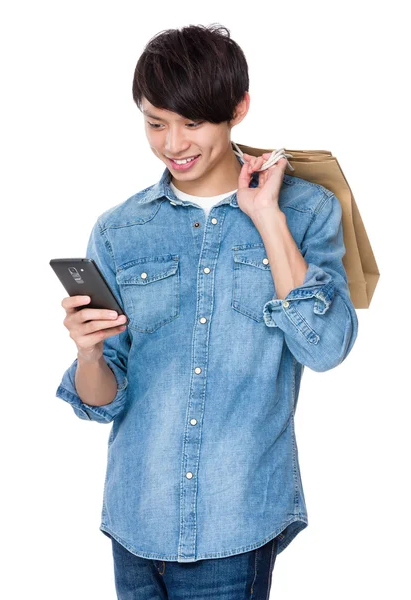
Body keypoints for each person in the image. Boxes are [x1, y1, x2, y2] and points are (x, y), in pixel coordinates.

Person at [56, 23, 359, 599]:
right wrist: (88, 351)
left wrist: (267, 216)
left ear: (238, 109)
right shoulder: (121, 229)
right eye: (155, 123)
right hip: (135, 518)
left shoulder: (307, 210)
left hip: (236, 518)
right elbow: (101, 401)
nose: (173, 144)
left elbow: (325, 347)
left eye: (192, 123)